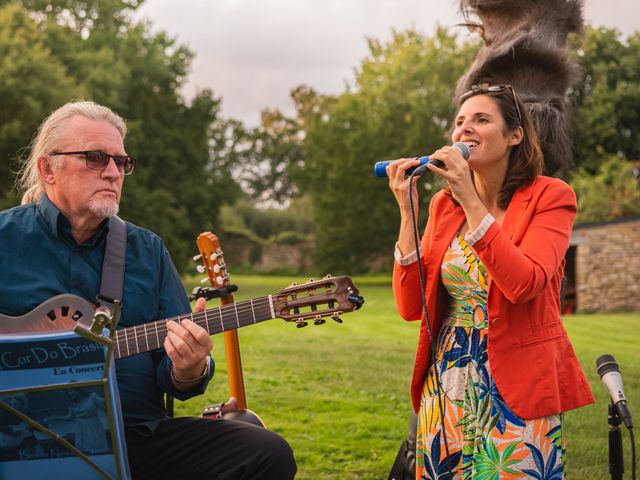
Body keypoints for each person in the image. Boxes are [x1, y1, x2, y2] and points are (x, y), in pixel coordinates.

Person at [0, 101, 296, 479]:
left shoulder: (146, 250)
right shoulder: (4, 240)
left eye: (120, 162)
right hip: (16, 444)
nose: (112, 172)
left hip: (135, 442)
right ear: (48, 168)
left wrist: (188, 366)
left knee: (265, 452)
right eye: (95, 158)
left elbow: (175, 378)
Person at [386, 83, 594, 479]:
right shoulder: (443, 205)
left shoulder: (551, 197)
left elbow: (524, 283)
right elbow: (411, 306)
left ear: (515, 135)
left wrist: (469, 197)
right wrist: (408, 215)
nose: (465, 129)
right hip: (447, 377)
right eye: (460, 121)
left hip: (517, 378)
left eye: (481, 120)